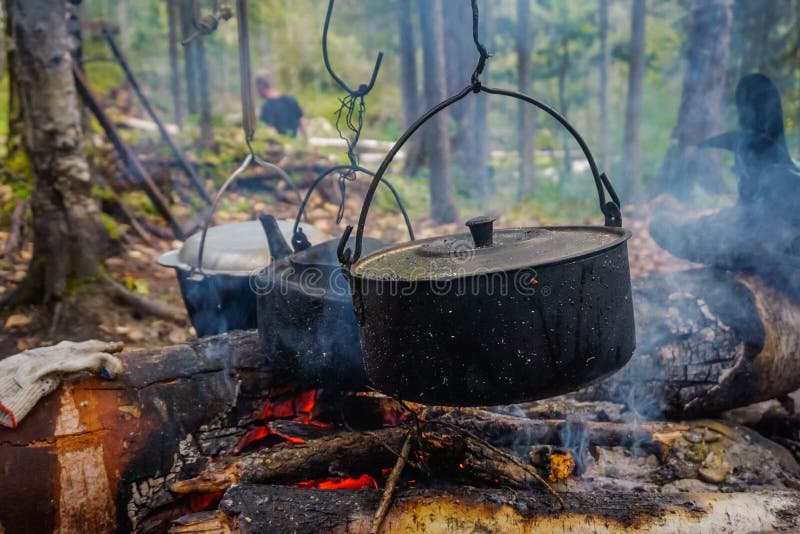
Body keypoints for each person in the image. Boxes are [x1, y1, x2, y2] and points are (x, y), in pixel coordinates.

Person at [649, 74, 800, 285]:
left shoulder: (778, 187)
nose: (735, 170)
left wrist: (674, 229)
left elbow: (742, 229)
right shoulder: (784, 174)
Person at [255, 71, 308, 139]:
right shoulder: (290, 100)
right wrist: (306, 141)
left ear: (261, 86)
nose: (257, 91)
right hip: (294, 144)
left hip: (278, 147)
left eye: (257, 87)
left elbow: (271, 131)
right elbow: (302, 122)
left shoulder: (266, 107)